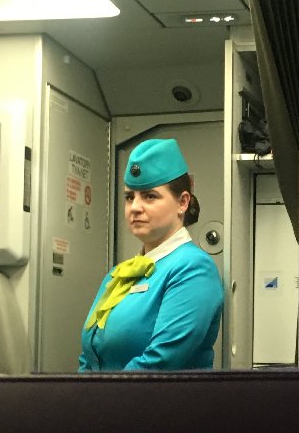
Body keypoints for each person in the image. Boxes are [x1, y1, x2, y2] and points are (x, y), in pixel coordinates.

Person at [78, 138, 223, 372]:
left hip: (156, 396)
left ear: (182, 202)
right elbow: (89, 356)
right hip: (103, 395)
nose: (135, 207)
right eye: (129, 197)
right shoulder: (120, 274)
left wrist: (98, 392)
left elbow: (161, 361)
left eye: (149, 196)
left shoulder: (193, 268)